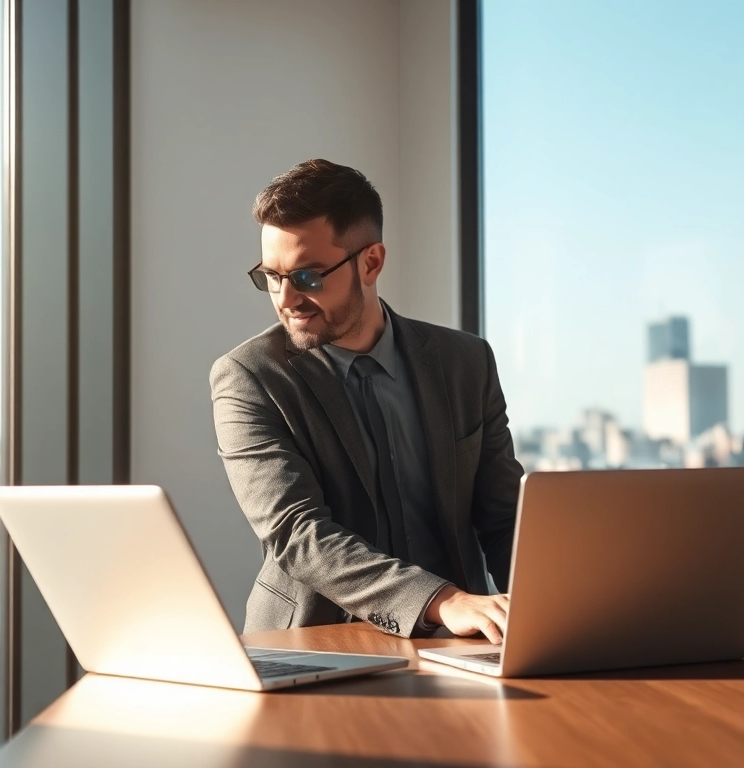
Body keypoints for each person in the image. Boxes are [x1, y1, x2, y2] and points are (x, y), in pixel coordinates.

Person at [211, 158, 522, 641]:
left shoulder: (466, 362)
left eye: (307, 277)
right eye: (271, 276)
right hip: (314, 645)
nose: (285, 299)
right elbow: (298, 535)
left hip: (461, 642)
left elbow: (503, 518)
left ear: (371, 262)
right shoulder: (249, 377)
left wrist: (553, 607)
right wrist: (443, 601)